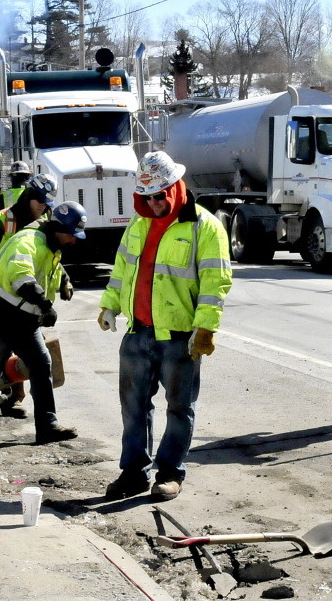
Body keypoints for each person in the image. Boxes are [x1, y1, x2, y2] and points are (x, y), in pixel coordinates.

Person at [98, 151, 232, 501]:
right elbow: (121, 271)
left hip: (179, 339)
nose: (155, 204)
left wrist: (205, 328)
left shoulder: (205, 227)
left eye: (160, 196)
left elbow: (215, 283)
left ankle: (170, 473)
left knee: (179, 407)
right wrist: (110, 305)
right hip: (138, 332)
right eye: (147, 197)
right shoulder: (137, 225)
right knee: (133, 407)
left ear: (175, 188)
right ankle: (133, 473)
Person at [0, 201, 88, 443]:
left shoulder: (51, 246)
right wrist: (45, 306)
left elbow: (45, 273)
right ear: (57, 228)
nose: (74, 241)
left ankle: (47, 426)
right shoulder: (29, 241)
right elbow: (21, 279)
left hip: (21, 318)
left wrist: (63, 282)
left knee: (42, 365)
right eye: (71, 235)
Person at [0, 173, 72, 418]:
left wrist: (64, 279)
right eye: (40, 202)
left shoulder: (44, 222)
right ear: (28, 198)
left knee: (34, 357)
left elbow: (48, 258)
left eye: (47, 204)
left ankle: (17, 398)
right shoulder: (0, 222)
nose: (43, 208)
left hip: (25, 302)